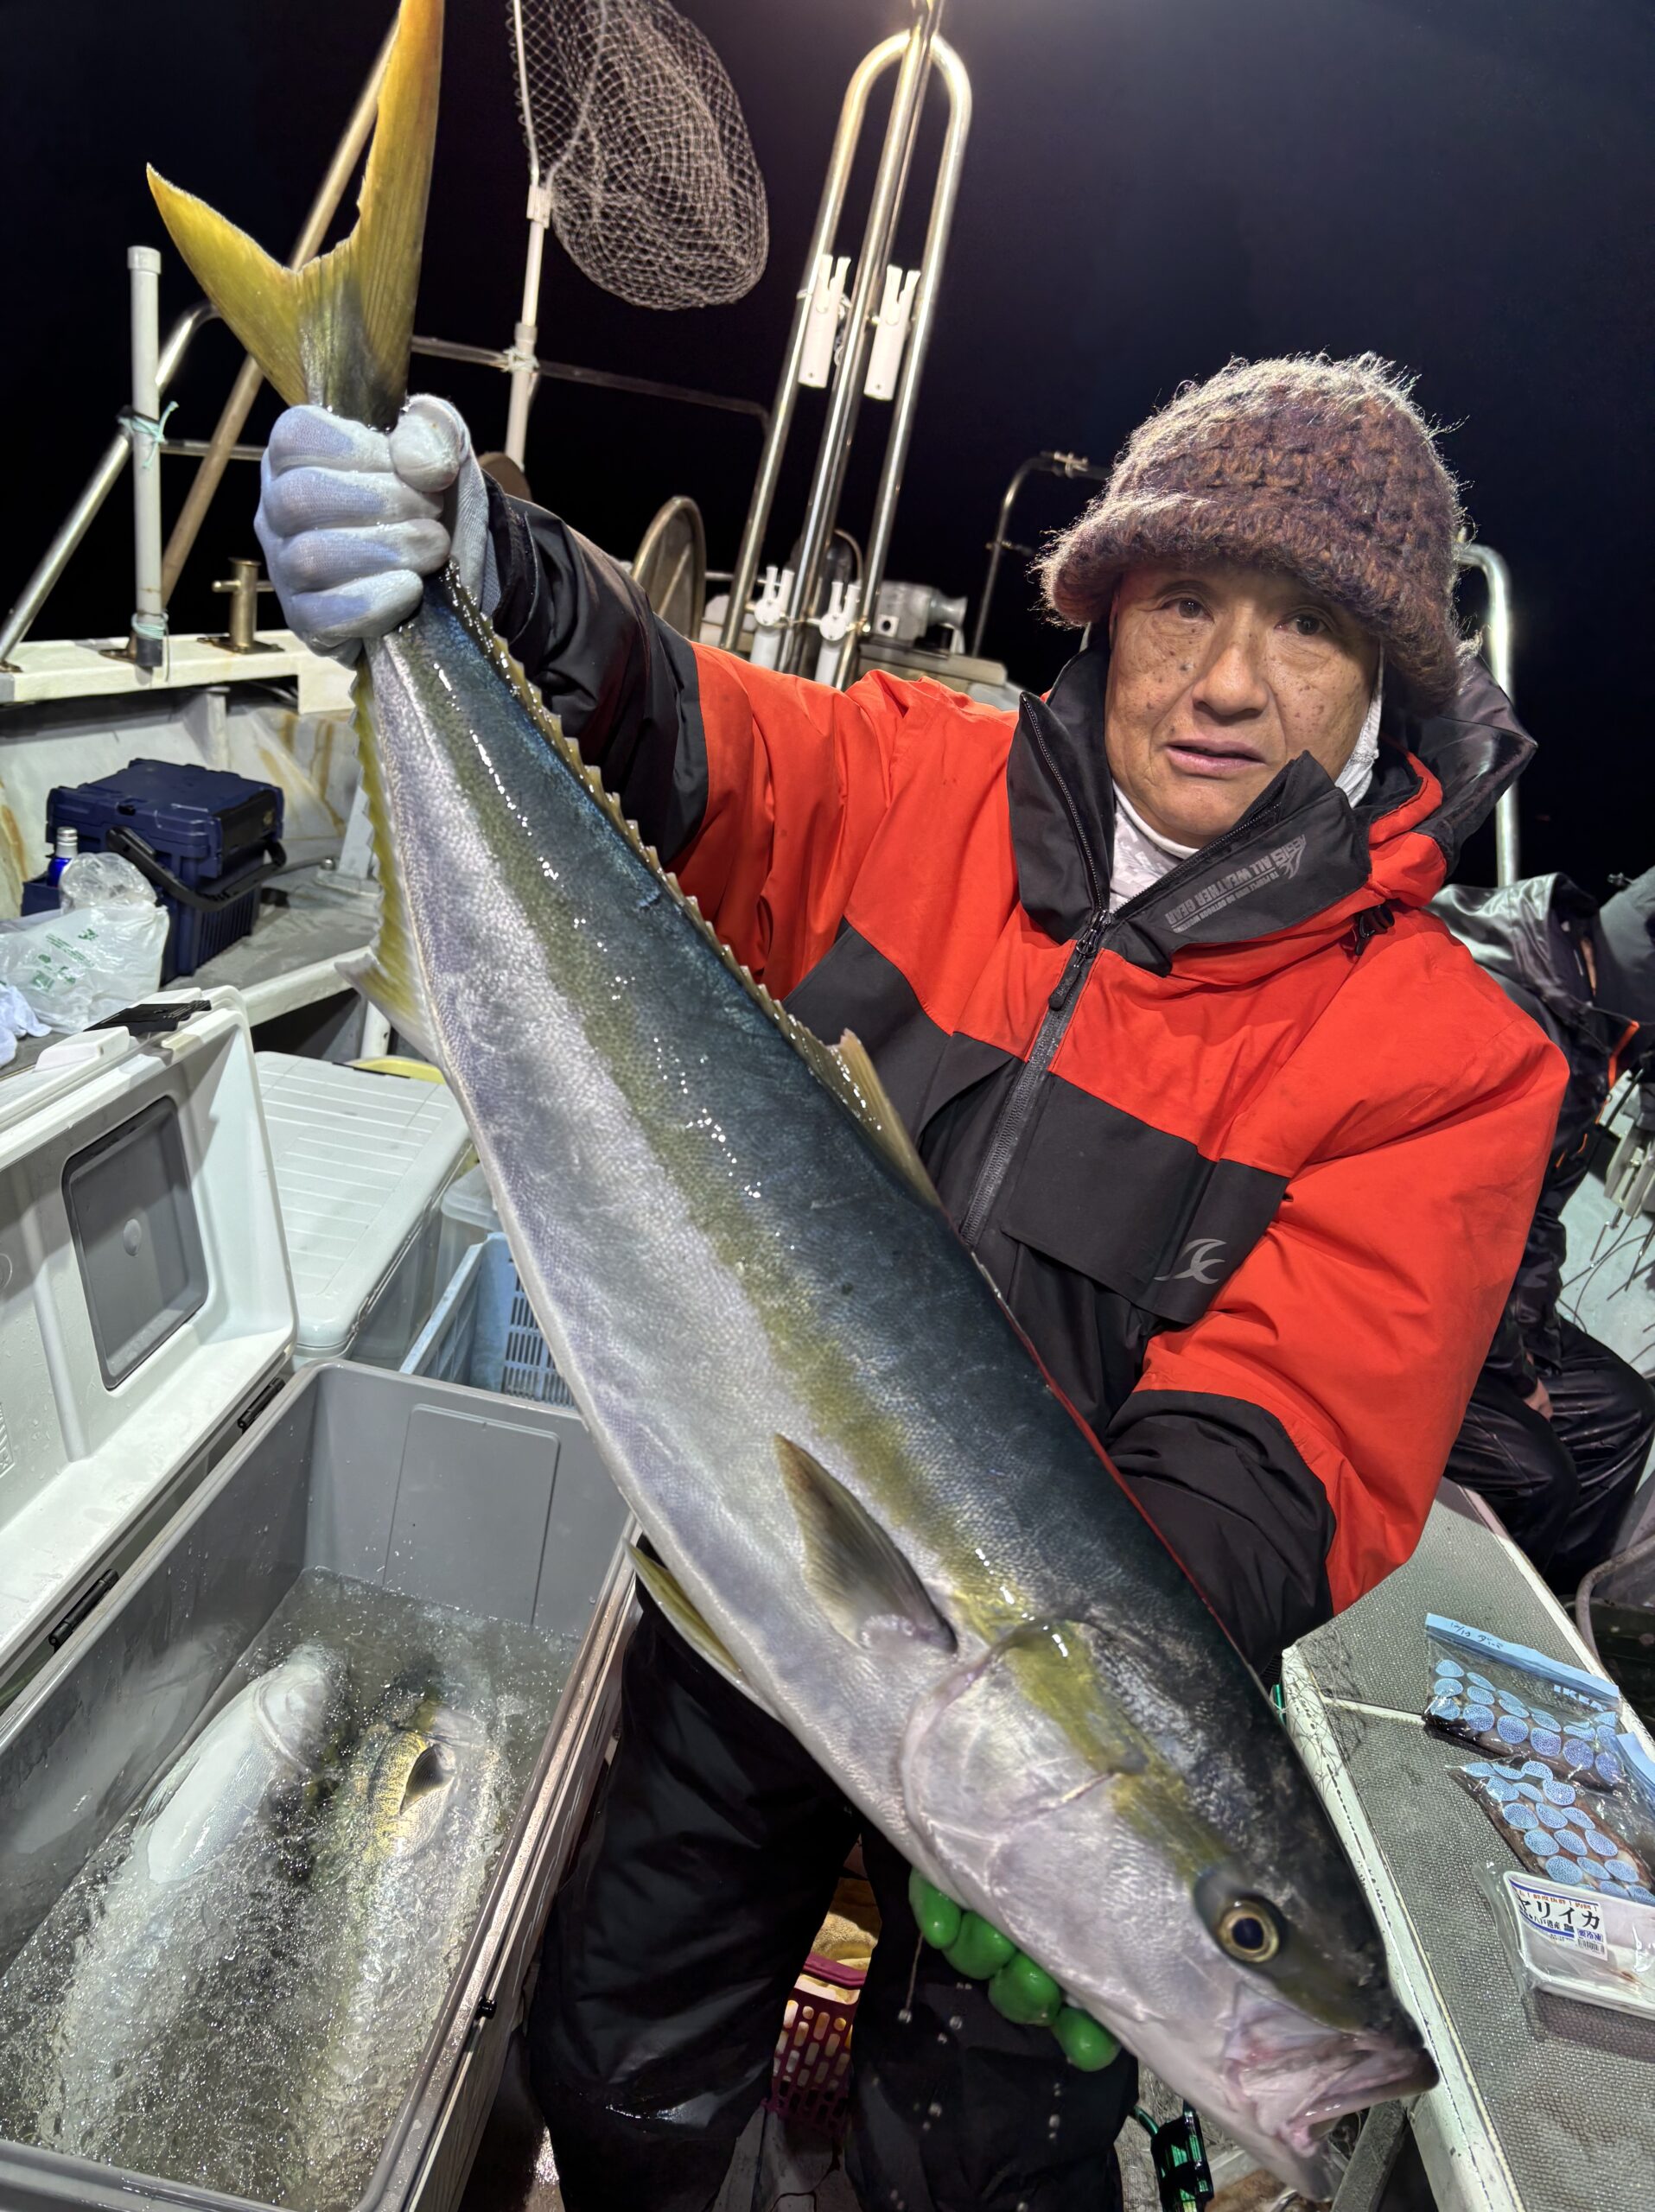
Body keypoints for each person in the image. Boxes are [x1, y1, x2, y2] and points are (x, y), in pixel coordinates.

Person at [255, 353, 1566, 2212]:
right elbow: (683, 727)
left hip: (1011, 1672)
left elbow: (1278, 1456)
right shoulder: (918, 777)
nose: (1226, 680)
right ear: (1107, 610)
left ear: (1385, 679)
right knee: (616, 2051)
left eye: (1309, 627)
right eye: (1185, 600)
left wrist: (1045, 1813)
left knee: (972, 2167)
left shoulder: (1445, 1050)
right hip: (759, 1596)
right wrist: (484, 562)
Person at [1435, 868, 1655, 1588]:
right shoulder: (1516, 1022)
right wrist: (1517, 1375)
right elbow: (1456, 1241)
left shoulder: (1583, 1011)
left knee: (1621, 1408)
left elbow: (1527, 1219)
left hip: (1474, 1296)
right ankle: (1465, 1616)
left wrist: (1528, 1348)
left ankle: (1553, 1602)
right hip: (1383, 1293)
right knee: (1535, 1476)